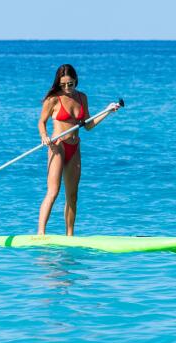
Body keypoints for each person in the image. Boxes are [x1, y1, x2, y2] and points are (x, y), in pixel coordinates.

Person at [37, 64, 121, 235]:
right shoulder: (53, 99)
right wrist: (44, 135)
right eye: (63, 85)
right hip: (58, 146)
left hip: (74, 147)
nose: (67, 88)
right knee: (53, 192)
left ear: (76, 81)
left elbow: (88, 125)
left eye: (70, 84)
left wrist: (107, 111)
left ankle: (70, 235)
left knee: (72, 195)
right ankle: (40, 233)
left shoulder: (82, 97)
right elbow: (41, 122)